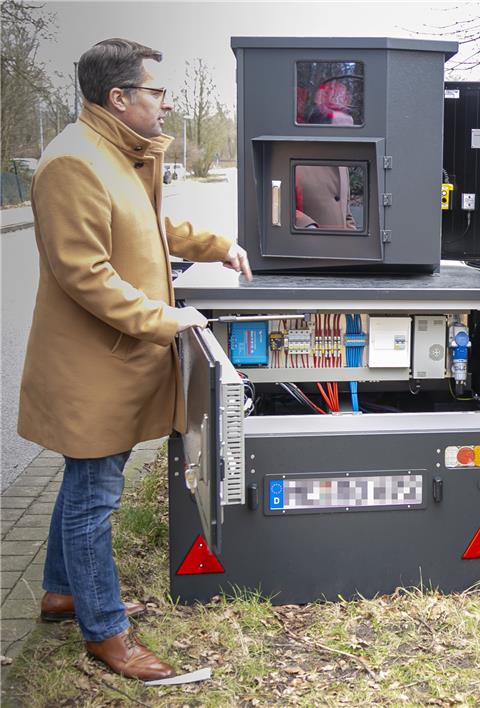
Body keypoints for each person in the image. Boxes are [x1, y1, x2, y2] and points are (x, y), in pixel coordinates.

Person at [17, 38, 252, 679]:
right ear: (119, 98)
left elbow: (150, 226)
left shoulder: (117, 155)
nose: (168, 104)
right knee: (95, 496)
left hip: (111, 363)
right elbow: (84, 272)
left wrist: (218, 245)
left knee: (82, 484)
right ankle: (106, 630)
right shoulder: (74, 163)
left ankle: (63, 594)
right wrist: (166, 318)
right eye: (157, 92)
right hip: (93, 368)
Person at [295, 164, 358, 230]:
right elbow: (284, 208)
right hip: (304, 238)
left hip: (342, 239)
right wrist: (307, 226)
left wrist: (353, 235)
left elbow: (346, 213)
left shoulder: (343, 166)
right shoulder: (295, 162)